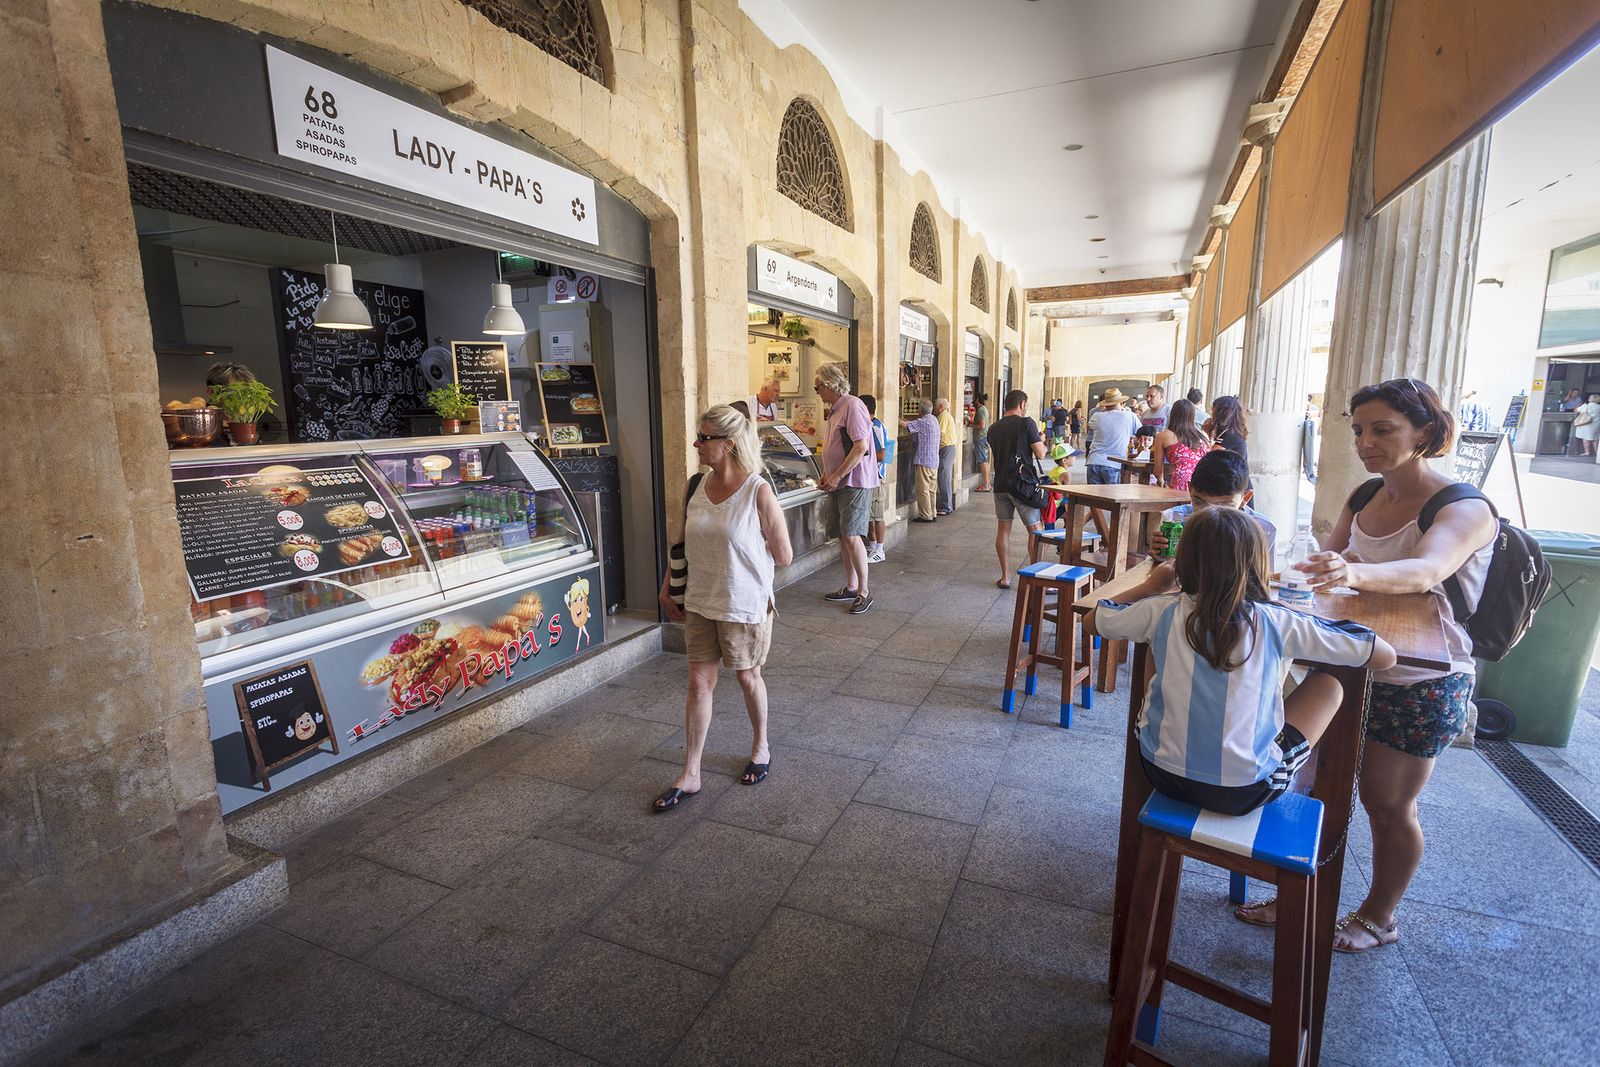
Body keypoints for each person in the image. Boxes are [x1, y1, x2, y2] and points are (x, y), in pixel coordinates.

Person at [1239, 377, 1496, 954]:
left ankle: (1380, 916)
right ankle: (1297, 890)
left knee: (1386, 802)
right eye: (1359, 430)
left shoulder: (1464, 506)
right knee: (1308, 781)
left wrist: (1351, 573)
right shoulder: (1363, 496)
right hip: (1346, 666)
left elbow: (1426, 570)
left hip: (1423, 678)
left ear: (1425, 432)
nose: (1366, 442)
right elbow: (1333, 563)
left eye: (1383, 429)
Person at [1085, 507, 1395, 816]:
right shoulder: (1279, 621)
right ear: (1258, 562)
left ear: (1185, 561)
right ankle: (1295, 772)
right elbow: (1384, 656)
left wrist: (1152, 586)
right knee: (1328, 685)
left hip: (1159, 770)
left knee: (1156, 645)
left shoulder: (1162, 609)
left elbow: (1091, 621)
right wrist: (1302, 616)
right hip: (1246, 790)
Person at [653, 405, 794, 812]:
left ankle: (761, 746)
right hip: (699, 598)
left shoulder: (758, 490)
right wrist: (668, 586)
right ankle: (691, 772)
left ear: (728, 444)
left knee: (748, 678)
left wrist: (747, 548)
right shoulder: (695, 484)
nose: (696, 443)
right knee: (699, 682)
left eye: (704, 437)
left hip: (743, 602)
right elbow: (682, 542)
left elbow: (783, 555)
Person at [814, 362, 878, 615]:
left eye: (817, 387)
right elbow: (835, 446)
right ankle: (851, 585)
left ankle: (864, 591)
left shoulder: (852, 405)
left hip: (854, 482)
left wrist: (837, 475)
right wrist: (826, 474)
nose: (817, 392)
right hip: (839, 481)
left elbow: (860, 446)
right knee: (843, 535)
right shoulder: (836, 409)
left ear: (829, 385)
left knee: (852, 535)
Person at [1150, 449, 1277, 561]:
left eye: (1223, 506)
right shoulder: (1174, 519)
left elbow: (1263, 581)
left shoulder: (1263, 529)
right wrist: (1161, 558)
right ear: (1189, 489)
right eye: (1199, 502)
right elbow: (1166, 574)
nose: (1208, 514)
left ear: (1245, 498)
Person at [987, 389, 1047, 589]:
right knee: (1035, 531)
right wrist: (1042, 442)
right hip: (1021, 486)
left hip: (1000, 485)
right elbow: (1040, 454)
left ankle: (1005, 577)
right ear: (1021, 404)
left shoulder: (993, 428)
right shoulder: (1026, 423)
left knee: (1003, 530)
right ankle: (1037, 577)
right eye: (1026, 405)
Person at [1150, 398, 1209, 492]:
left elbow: (1157, 471)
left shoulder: (1162, 436)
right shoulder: (1203, 436)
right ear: (1193, 415)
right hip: (1203, 481)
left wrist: (1161, 483)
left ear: (1172, 414)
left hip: (1180, 480)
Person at [1085, 387, 1140, 484]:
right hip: (1114, 462)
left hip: (1094, 460)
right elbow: (1140, 433)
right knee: (1111, 496)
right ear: (1121, 402)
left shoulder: (1097, 416)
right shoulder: (1130, 416)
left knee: (1094, 498)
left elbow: (1090, 427)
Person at [861, 394, 890, 561]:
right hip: (868, 477)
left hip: (876, 477)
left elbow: (881, 454)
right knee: (870, 514)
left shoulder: (875, 427)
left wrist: (861, 455)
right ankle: (872, 545)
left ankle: (880, 549)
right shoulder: (868, 426)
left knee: (877, 514)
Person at [1209, 396, 1252, 492]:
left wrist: (1205, 433)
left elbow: (1209, 458)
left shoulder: (1229, 434)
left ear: (1220, 412)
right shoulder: (1234, 431)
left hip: (1235, 486)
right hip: (1237, 482)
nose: (1211, 414)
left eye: (1213, 410)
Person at [906, 400, 940, 523]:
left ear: (920, 411)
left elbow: (905, 425)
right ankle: (933, 512)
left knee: (923, 489)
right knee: (931, 490)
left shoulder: (923, 422)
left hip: (924, 461)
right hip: (934, 460)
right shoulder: (934, 420)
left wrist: (895, 418)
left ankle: (926, 515)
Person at [935, 398, 958, 514]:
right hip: (949, 449)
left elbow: (939, 433)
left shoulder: (943, 416)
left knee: (944, 477)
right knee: (945, 477)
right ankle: (946, 504)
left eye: (936, 406)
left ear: (940, 406)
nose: (935, 408)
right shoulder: (947, 415)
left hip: (946, 449)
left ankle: (946, 506)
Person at [972, 392, 993, 492]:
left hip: (980, 438)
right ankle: (987, 484)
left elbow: (981, 425)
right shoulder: (984, 409)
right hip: (985, 437)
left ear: (977, 399)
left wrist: (970, 425)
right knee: (985, 462)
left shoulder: (980, 410)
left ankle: (986, 485)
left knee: (982, 462)